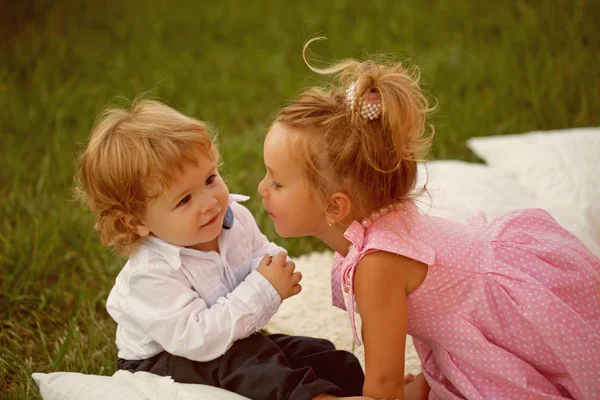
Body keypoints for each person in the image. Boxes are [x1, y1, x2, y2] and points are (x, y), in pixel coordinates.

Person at [257, 40, 600, 400]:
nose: (263, 188)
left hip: (511, 324)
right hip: (491, 307)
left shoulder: (376, 266)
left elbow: (384, 388)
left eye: (276, 181)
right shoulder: (377, 222)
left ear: (336, 207)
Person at [75, 99, 369, 400]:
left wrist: (275, 266)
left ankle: (369, 390)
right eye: (184, 200)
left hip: (232, 340)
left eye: (209, 179)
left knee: (320, 354)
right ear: (137, 222)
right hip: (167, 360)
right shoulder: (151, 273)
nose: (209, 202)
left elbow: (259, 253)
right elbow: (198, 338)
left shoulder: (232, 217)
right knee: (255, 368)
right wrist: (264, 287)